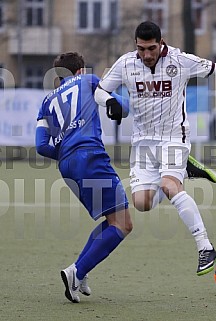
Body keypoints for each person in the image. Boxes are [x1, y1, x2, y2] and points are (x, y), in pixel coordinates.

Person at [94, 21, 216, 275]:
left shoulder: (180, 61)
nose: (147, 55)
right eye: (141, 49)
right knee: (141, 203)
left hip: (175, 138)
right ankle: (185, 170)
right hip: (142, 143)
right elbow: (99, 90)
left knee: (169, 186)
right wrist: (109, 101)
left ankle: (205, 246)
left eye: (151, 48)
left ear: (161, 43)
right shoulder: (126, 63)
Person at [35, 52, 133, 303]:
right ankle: (77, 272)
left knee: (112, 218)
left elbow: (41, 145)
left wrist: (67, 151)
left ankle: (82, 269)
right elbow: (120, 104)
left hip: (67, 165)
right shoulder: (88, 80)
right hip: (90, 156)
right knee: (123, 224)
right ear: (79, 71)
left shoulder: (46, 101)